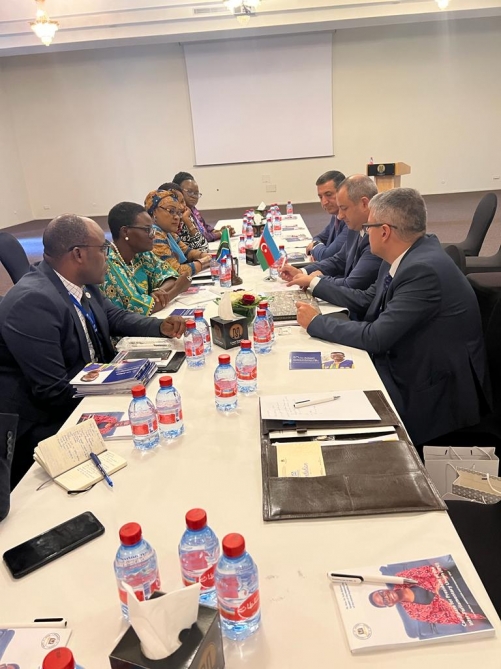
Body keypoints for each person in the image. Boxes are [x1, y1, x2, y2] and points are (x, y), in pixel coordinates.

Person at [0, 214, 186, 488]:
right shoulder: (33, 302)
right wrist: (118, 390)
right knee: (150, 447)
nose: (108, 256)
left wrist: (160, 327)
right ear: (78, 254)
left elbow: (113, 316)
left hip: (87, 387)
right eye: (103, 249)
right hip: (44, 422)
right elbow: (52, 391)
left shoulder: (79, 283)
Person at [295, 188, 488, 447]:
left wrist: (316, 323)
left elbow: (376, 338)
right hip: (409, 359)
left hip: (432, 391)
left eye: (368, 228)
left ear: (384, 232)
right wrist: (316, 285)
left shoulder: (423, 270)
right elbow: (368, 299)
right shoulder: (405, 253)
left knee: (334, 404)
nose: (365, 234)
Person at [280, 175, 382, 294]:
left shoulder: (378, 237)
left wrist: (314, 281)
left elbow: (352, 284)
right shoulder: (357, 225)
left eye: (344, 208)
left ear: (364, 203)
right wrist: (302, 272)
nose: (340, 216)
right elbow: (339, 260)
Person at [102, 201, 191, 315]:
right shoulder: (108, 264)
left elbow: (170, 275)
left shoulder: (141, 254)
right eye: (147, 230)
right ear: (125, 232)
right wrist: (177, 289)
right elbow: (140, 308)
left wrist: (160, 291)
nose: (153, 235)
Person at [369, 564, 487, 625]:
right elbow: (447, 618)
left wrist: (439, 585)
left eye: (381, 594)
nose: (386, 597)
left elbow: (431, 570)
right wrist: (448, 602)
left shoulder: (401, 578)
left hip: (450, 580)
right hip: (459, 605)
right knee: (462, 605)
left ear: (383, 589)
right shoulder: (415, 614)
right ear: (390, 605)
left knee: (444, 591)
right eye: (384, 601)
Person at [145, 188, 212, 277]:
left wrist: (204, 255)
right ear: (154, 212)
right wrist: (202, 263)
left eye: (178, 213)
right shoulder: (154, 235)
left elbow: (187, 252)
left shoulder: (169, 233)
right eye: (171, 211)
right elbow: (175, 271)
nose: (177, 217)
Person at [172, 171, 236, 241]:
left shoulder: (193, 209)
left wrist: (217, 231)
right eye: (190, 192)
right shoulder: (179, 214)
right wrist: (221, 234)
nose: (194, 196)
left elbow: (204, 227)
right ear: (178, 191)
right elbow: (200, 238)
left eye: (196, 193)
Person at [305, 170, 348, 261]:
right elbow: (319, 237)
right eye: (320, 197)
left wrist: (315, 247)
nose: (324, 202)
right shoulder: (335, 216)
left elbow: (326, 256)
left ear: (343, 192)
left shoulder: (350, 221)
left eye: (329, 195)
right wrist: (318, 246)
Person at [158, 182, 209, 253]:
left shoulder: (184, 218)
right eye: (176, 203)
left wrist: (187, 221)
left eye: (183, 201)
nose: (182, 207)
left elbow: (204, 248)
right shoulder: (163, 228)